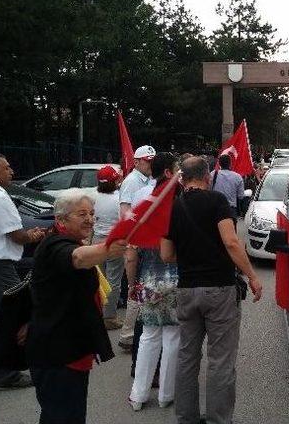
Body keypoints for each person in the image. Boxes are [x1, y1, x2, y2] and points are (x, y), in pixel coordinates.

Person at [161, 156, 263, 424]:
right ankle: (219, 419)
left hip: (186, 290)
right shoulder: (217, 201)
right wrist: (252, 275)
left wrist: (190, 253)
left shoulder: (173, 207)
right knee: (220, 360)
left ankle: (187, 418)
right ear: (208, 176)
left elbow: (166, 254)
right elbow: (230, 242)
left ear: (182, 179)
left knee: (187, 357)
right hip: (219, 290)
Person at [27, 190, 126, 423]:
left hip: (68, 348)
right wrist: (107, 249)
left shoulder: (67, 240)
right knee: (63, 415)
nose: (90, 219)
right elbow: (78, 258)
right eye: (82, 214)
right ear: (61, 220)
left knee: (63, 414)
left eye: (92, 213)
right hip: (56, 353)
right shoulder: (55, 245)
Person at [0, 153, 44, 390]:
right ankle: (8, 373)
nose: (11, 171)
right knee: (6, 317)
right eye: (6, 167)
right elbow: (16, 234)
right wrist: (34, 235)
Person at [128, 153, 180, 411]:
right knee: (172, 335)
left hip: (148, 277)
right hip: (175, 276)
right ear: (169, 172)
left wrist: (131, 283)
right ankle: (165, 395)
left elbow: (130, 250)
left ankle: (138, 396)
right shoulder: (179, 200)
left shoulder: (140, 200)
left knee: (148, 335)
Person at [118, 144, 156, 351]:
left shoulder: (147, 180)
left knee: (141, 287)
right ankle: (128, 335)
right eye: (146, 161)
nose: (149, 164)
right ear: (136, 162)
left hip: (143, 240)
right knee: (137, 287)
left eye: (152, 161)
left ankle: (131, 333)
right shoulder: (132, 182)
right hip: (136, 241)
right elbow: (125, 212)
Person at [93, 165, 123, 330]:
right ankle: (109, 317)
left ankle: (97, 314)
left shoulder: (93, 196)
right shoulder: (119, 198)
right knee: (113, 281)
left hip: (96, 240)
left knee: (98, 280)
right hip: (114, 242)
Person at [210, 154, 245, 228]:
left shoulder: (212, 174)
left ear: (219, 163)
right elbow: (241, 196)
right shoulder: (237, 177)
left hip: (215, 209)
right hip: (230, 211)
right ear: (230, 163)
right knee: (231, 234)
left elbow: (208, 190)